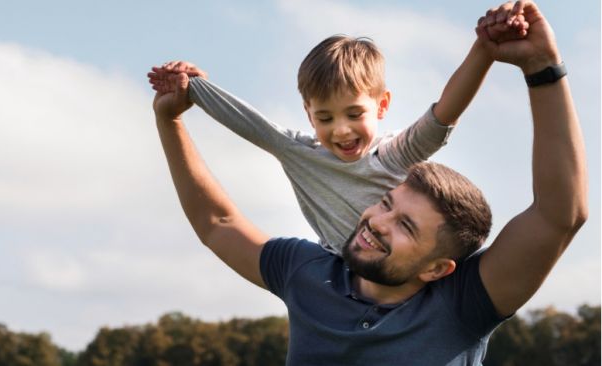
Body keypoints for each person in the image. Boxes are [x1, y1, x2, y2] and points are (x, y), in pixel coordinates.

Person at [152, 1, 587, 364]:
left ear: (438, 268)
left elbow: (559, 215)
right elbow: (218, 223)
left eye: (407, 227)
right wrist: (169, 119)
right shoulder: (306, 273)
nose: (379, 222)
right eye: (385, 203)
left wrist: (542, 67)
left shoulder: (465, 305)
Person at [147, 17, 528, 256]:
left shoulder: (394, 156)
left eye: (354, 113)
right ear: (308, 113)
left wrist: (485, 49)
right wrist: (191, 86)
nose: (341, 130)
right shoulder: (299, 152)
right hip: (344, 277)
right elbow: (248, 122)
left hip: (415, 275)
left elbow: (445, 111)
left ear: (381, 107)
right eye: (325, 117)